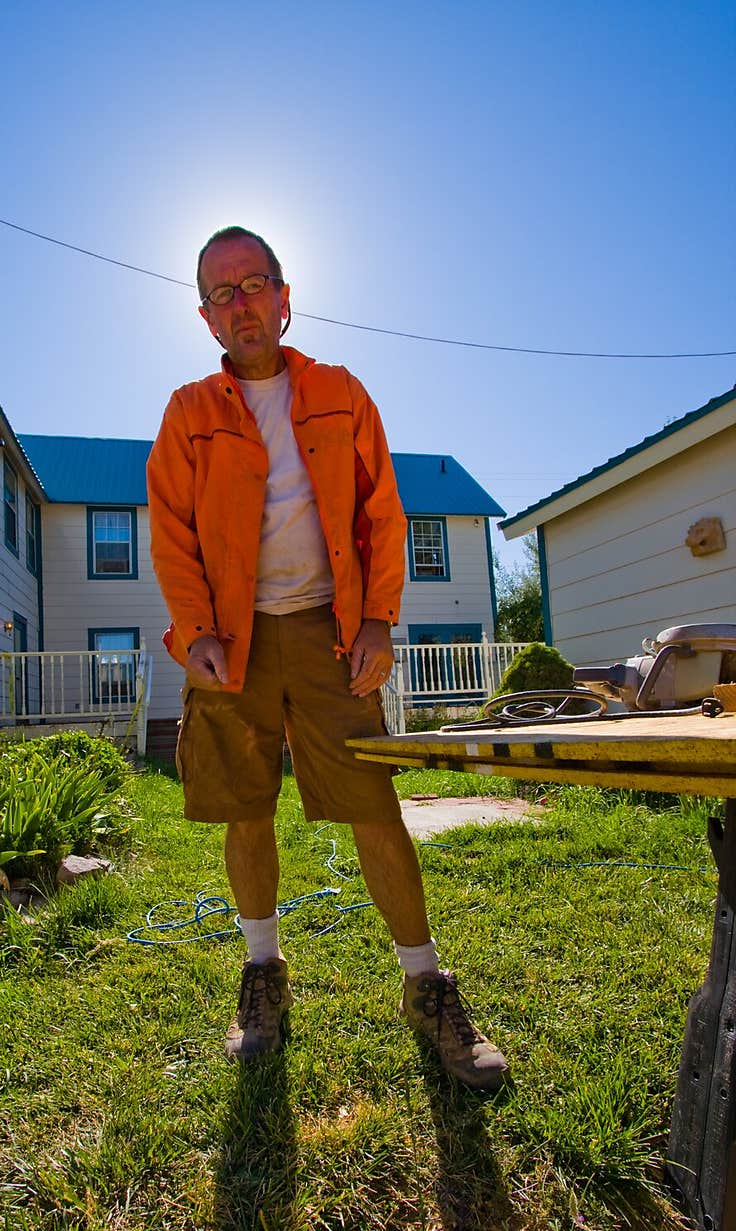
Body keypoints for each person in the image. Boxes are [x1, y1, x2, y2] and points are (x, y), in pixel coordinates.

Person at [147, 226, 508, 1091]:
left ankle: (427, 984)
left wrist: (380, 617)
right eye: (221, 293)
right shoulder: (190, 412)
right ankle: (263, 974)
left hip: (327, 630)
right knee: (247, 806)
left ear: (284, 297)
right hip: (231, 641)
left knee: (373, 804)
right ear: (206, 317)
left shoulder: (341, 393)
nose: (241, 304)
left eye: (254, 284)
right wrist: (195, 628)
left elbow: (384, 512)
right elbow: (170, 533)